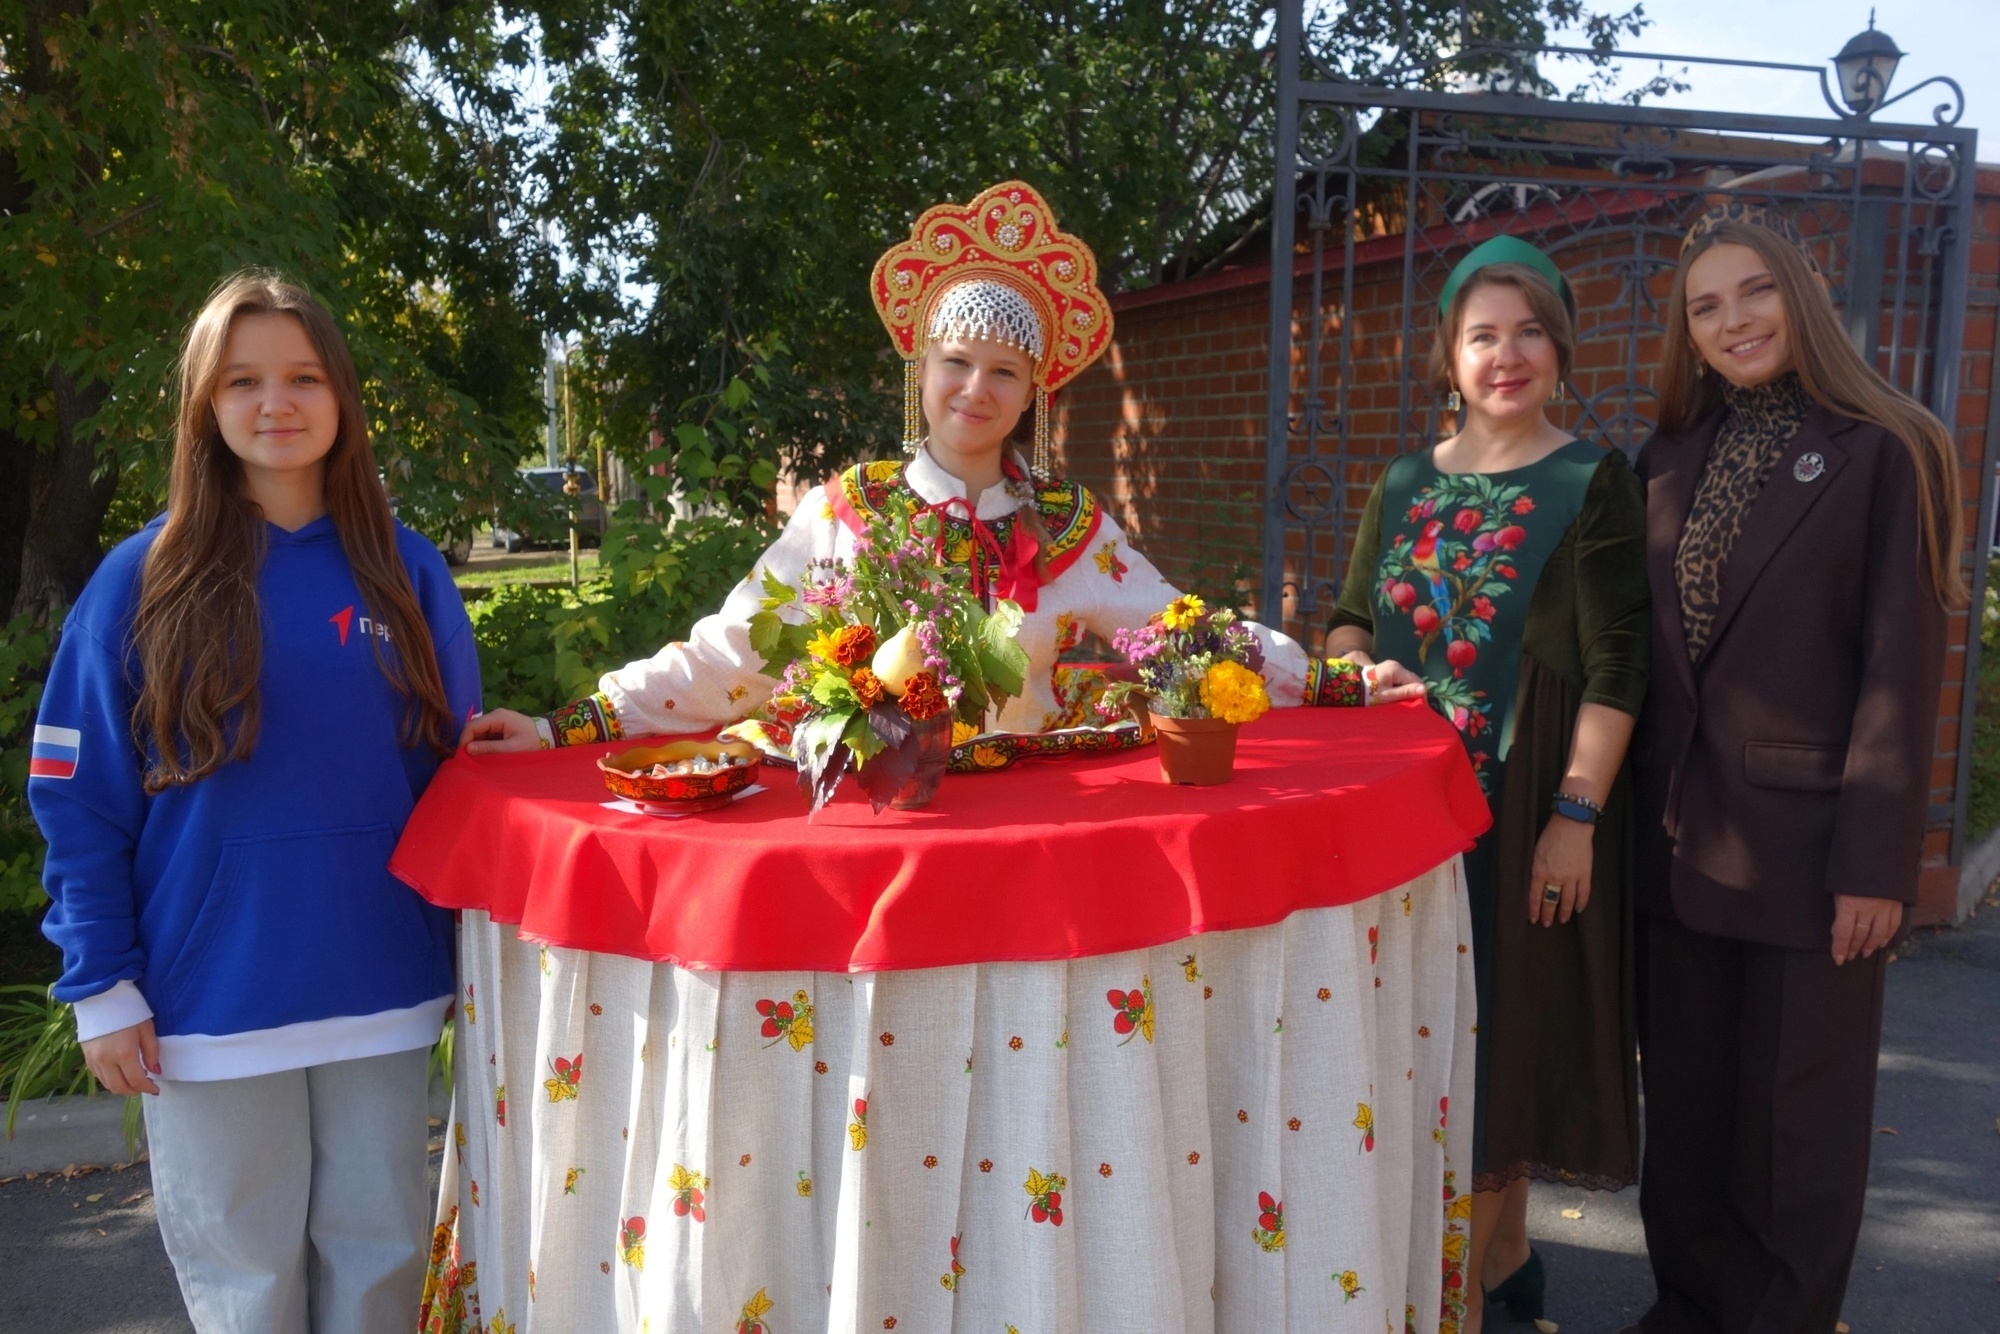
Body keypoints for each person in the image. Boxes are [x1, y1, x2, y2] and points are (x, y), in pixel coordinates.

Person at [463, 180, 1424, 759]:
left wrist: (1338, 684)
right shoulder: (847, 512)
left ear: (1034, 390)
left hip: (1030, 825)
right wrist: (560, 727)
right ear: (919, 370)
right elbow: (731, 655)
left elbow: (1184, 633)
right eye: (956, 362)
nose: (976, 389)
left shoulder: (1068, 525)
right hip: (879, 831)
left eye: (1005, 371)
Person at [27, 272, 483, 1332]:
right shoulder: (140, 578)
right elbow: (79, 799)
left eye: (302, 377)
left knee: (381, 1262)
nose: (275, 402)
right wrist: (102, 984)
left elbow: (457, 775)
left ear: (342, 397)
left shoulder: (405, 571)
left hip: (381, 982)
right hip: (209, 1000)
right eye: (242, 381)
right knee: (248, 1285)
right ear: (205, 405)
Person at [1625, 203, 1962, 1334]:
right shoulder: (1666, 455)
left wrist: (1877, 866)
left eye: (1754, 291)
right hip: (1680, 844)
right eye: (1705, 306)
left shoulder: (1887, 446)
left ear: (1801, 294)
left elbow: (1898, 670)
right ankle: (1684, 1312)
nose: (1733, 321)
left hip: (1814, 854)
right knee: (1687, 1121)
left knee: (1795, 1132)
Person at [1326, 236, 1651, 1333]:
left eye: (1528, 333)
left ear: (1558, 349)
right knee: (1414, 1038)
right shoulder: (1403, 480)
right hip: (1399, 811)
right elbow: (1350, 617)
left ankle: (1460, 1292)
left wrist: (1575, 814)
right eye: (1482, 336)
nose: (1505, 355)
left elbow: (1618, 664)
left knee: (1495, 1041)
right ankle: (1504, 1258)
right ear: (1448, 356)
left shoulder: (1592, 482)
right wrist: (1353, 669)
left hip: (1520, 806)